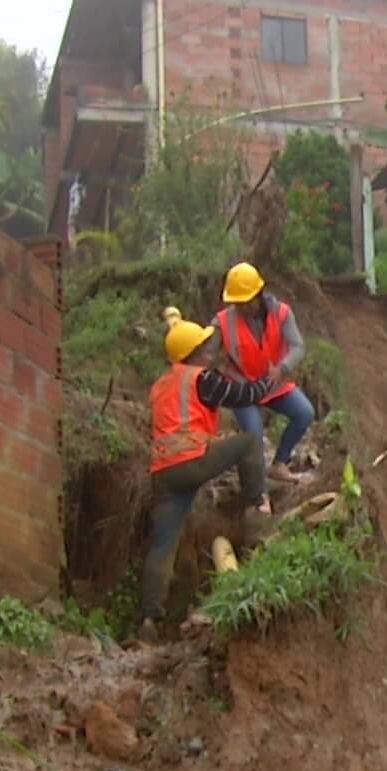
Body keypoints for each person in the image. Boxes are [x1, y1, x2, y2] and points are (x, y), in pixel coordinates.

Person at [138, 311, 279, 643]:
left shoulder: (160, 385)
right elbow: (241, 396)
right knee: (247, 442)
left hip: (164, 472)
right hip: (192, 459)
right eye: (205, 345)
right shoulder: (201, 378)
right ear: (195, 353)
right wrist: (268, 381)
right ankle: (256, 507)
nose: (210, 350)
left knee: (162, 545)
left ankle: (148, 621)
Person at [213, 262, 317, 483]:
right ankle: (258, 494)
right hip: (243, 390)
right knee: (254, 432)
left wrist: (283, 368)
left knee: (304, 413)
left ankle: (279, 464)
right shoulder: (223, 323)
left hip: (273, 383)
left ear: (258, 295)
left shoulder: (281, 313)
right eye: (237, 303)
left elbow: (297, 346)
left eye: (246, 302)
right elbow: (205, 353)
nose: (242, 308)